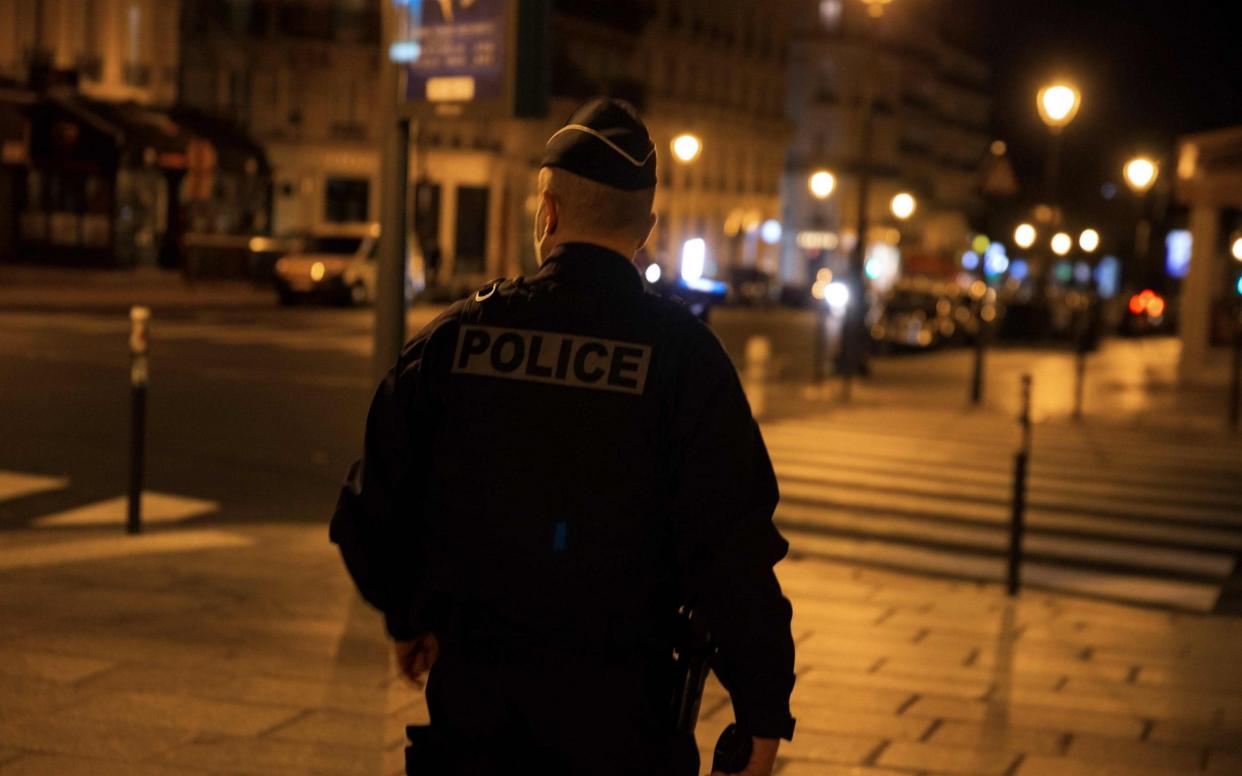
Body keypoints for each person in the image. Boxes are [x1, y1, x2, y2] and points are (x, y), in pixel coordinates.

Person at [330, 97, 795, 775]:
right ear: (647, 230)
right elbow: (733, 549)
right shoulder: (686, 360)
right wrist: (761, 709)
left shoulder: (458, 340)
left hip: (475, 720)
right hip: (624, 726)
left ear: (546, 211)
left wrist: (410, 615)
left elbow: (371, 504)